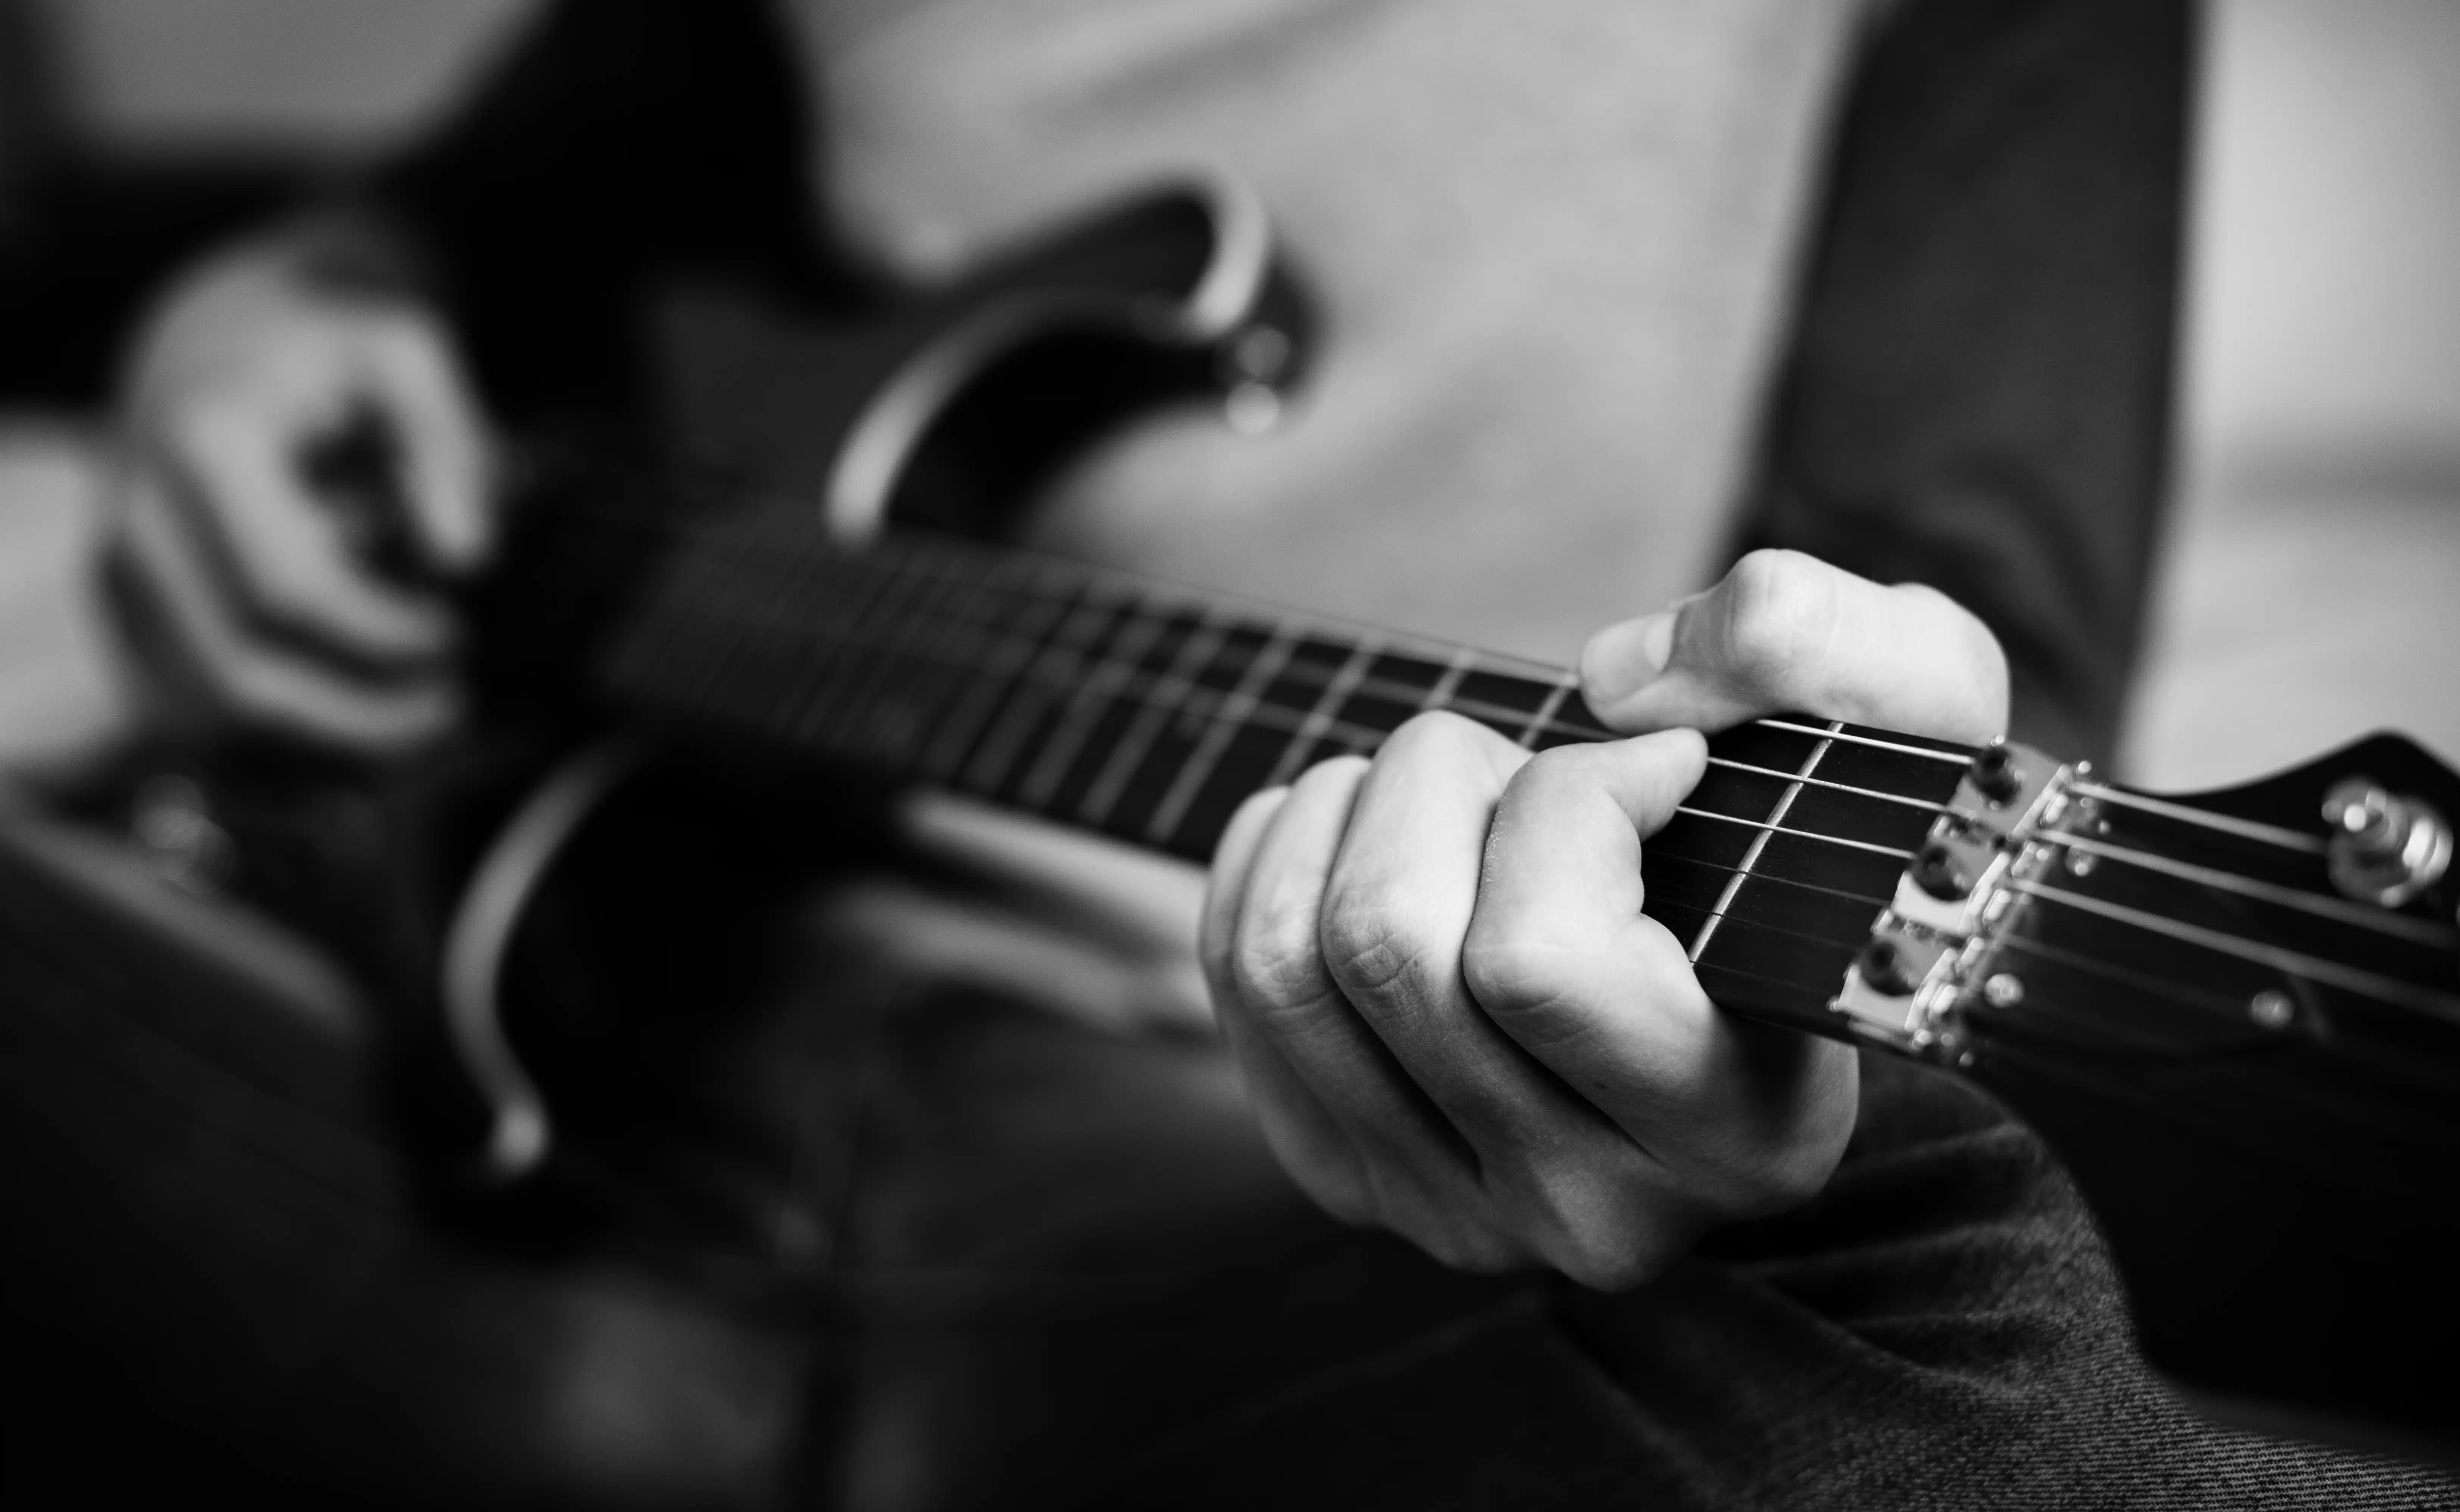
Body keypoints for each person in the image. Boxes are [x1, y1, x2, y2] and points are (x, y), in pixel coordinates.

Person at [64, 0, 2460, 1505]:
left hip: (1294, 1199)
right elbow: (520, 211)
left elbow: (1962, 699)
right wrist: (312, 289)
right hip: (517, 1031)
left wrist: (1741, 1098)